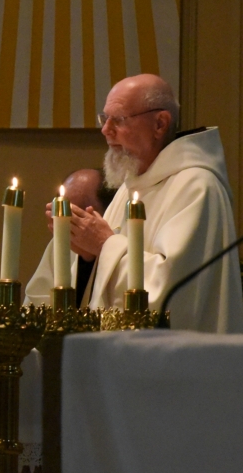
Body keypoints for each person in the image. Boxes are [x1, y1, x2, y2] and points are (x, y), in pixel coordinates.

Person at [26, 74, 243, 332]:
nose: (105, 130)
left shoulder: (197, 187)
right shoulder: (130, 187)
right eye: (104, 119)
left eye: (118, 120)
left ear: (160, 124)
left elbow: (172, 291)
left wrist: (104, 245)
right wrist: (87, 255)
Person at [25, 168, 116, 301]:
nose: (68, 221)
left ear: (106, 212)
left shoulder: (117, 245)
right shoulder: (58, 246)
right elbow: (37, 302)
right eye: (65, 211)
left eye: (79, 213)